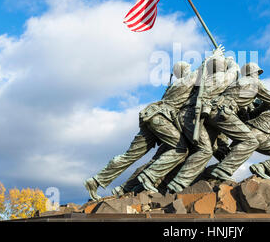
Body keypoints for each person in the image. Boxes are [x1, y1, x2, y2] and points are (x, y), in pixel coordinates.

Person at [83, 60, 198, 201]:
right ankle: (150, 176)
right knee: (181, 149)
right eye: (188, 68)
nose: (190, 70)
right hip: (160, 119)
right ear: (185, 70)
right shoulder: (186, 80)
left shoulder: (174, 85)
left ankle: (95, 180)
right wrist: (218, 58)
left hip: (150, 117)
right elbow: (203, 71)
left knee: (130, 155)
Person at [147, 54, 240, 193]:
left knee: (213, 148)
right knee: (205, 150)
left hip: (186, 119)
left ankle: (157, 181)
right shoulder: (217, 78)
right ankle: (176, 183)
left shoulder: (199, 81)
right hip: (193, 118)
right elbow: (233, 71)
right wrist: (230, 60)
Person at [205, 62, 270, 182]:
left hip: (212, 111)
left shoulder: (236, 82)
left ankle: (206, 173)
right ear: (253, 73)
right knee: (251, 141)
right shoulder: (256, 83)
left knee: (214, 149)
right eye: (257, 73)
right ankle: (222, 170)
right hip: (223, 112)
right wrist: (259, 109)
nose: (258, 76)